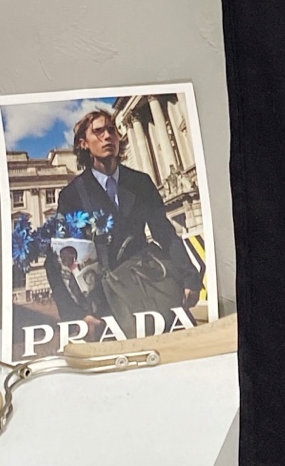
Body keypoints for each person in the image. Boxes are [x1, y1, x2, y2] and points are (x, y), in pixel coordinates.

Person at [58, 109, 203, 314]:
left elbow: (165, 233)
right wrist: (77, 314)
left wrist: (190, 277)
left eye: (111, 130)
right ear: (83, 143)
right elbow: (60, 259)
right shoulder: (72, 195)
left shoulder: (141, 182)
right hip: (105, 299)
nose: (107, 136)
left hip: (149, 282)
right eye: (98, 131)